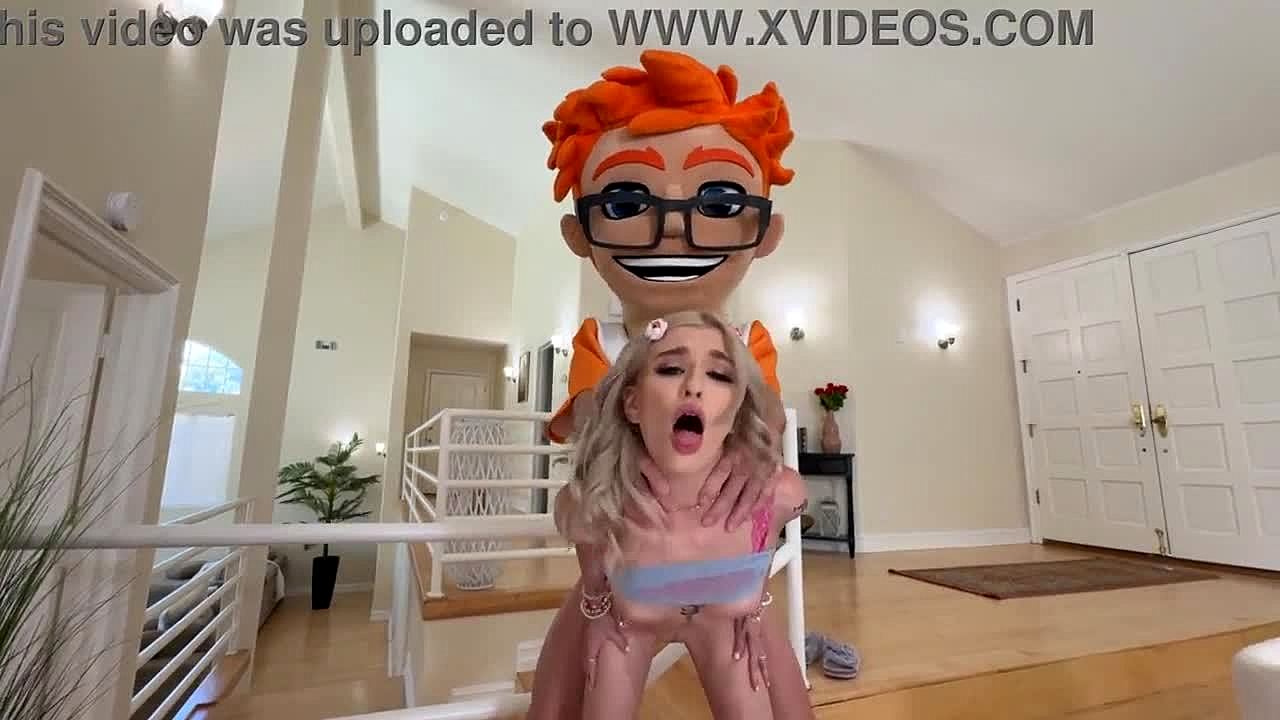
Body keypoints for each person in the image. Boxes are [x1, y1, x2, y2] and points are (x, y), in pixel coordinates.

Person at [528, 49, 815, 720]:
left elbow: (766, 425)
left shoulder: (749, 344)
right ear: (579, 234)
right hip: (627, 573)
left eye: (720, 201)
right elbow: (594, 430)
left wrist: (754, 462)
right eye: (627, 200)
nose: (678, 227)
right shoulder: (601, 345)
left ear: (766, 232)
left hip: (724, 577)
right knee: (568, 680)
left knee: (775, 682)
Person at [554, 311, 808, 719]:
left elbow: (770, 534)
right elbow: (584, 543)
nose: (693, 386)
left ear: (738, 409)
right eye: (671, 369)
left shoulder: (778, 495)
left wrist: (755, 606)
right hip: (627, 628)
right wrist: (596, 610)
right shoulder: (595, 506)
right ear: (632, 403)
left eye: (719, 375)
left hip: (727, 627)